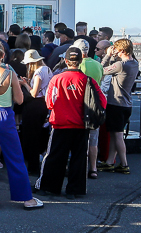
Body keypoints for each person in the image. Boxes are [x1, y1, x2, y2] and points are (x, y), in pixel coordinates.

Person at [0, 41, 42, 210]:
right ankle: (26, 199)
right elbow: (19, 100)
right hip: (4, 115)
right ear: (3, 55)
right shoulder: (9, 74)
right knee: (15, 158)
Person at [37, 48, 105, 199]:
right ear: (81, 61)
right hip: (82, 124)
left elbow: (49, 103)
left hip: (60, 123)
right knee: (79, 158)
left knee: (55, 156)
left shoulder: (57, 79)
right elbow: (102, 101)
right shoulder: (88, 80)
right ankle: (75, 189)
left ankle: (50, 187)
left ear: (66, 61)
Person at [100, 39, 139, 175]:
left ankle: (124, 164)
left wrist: (107, 56)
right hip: (126, 103)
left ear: (122, 50)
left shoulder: (120, 65)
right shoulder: (134, 63)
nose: (114, 51)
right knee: (115, 133)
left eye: (116, 49)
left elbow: (100, 70)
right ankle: (110, 161)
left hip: (116, 103)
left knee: (117, 136)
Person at [17, 49, 51, 174]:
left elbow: (33, 93)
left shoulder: (38, 72)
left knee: (32, 137)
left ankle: (33, 166)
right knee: (39, 135)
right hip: (43, 105)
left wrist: (25, 84)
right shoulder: (47, 69)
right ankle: (35, 165)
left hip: (34, 106)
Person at [73, 40, 103, 179]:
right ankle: (93, 168)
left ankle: (80, 167)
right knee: (93, 140)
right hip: (95, 105)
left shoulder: (79, 65)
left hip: (81, 106)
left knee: (80, 140)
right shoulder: (98, 64)